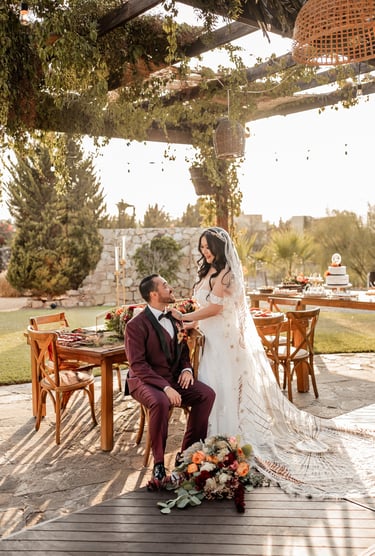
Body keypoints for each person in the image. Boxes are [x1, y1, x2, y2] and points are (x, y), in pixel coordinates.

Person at [172, 227, 375, 500]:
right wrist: (191, 322)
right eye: (202, 248)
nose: (204, 252)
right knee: (213, 387)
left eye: (208, 247)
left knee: (226, 388)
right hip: (213, 343)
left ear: (219, 249)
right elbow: (206, 313)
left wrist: (185, 317)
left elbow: (217, 309)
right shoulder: (209, 273)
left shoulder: (227, 275)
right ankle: (214, 439)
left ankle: (231, 439)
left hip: (227, 344)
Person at [125, 273, 215, 483]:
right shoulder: (135, 326)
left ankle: (186, 454)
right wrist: (166, 388)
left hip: (173, 378)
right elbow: (137, 366)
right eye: (166, 286)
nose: (171, 288)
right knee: (160, 401)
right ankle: (158, 464)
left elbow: (183, 353)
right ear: (154, 294)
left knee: (207, 394)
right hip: (144, 381)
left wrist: (186, 370)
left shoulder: (175, 318)